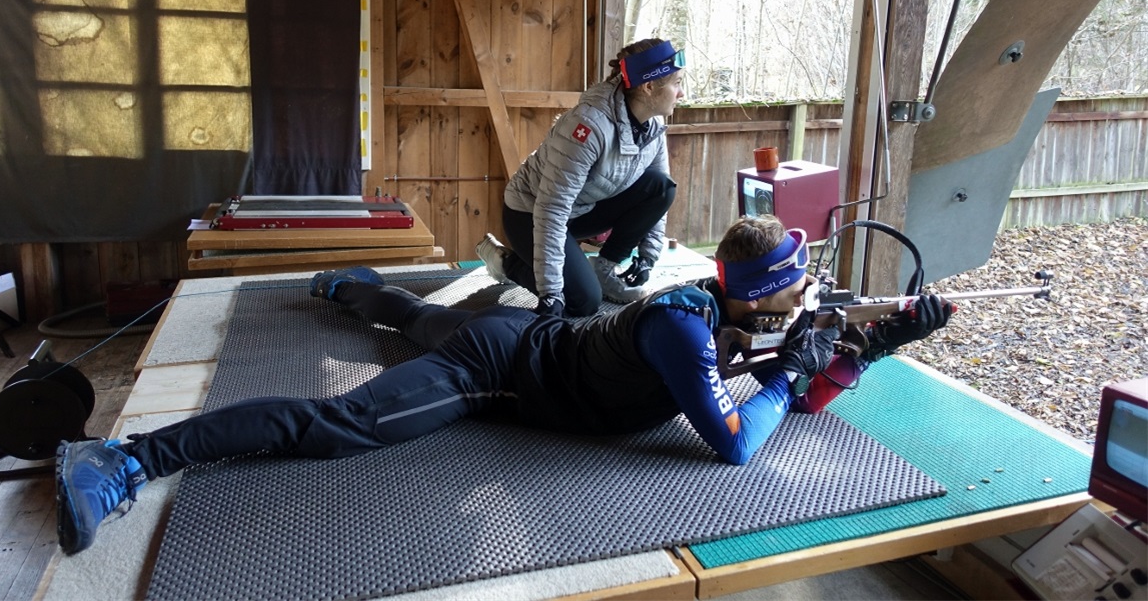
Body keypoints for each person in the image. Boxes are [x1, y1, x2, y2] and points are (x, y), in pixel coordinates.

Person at [54, 215, 951, 556]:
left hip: (534, 334)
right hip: (503, 370)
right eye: (800, 289)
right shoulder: (684, 326)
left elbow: (798, 394)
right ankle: (125, 459)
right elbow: (737, 444)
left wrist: (870, 351)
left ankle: (344, 286)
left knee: (412, 318)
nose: (812, 299)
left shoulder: (744, 320)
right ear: (759, 295)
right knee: (342, 422)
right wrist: (798, 370)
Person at [477, 38, 684, 318]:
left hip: (583, 209)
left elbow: (659, 190)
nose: (681, 94)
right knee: (582, 302)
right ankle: (506, 264)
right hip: (530, 213)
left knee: (661, 188)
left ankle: (604, 270)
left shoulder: (653, 126)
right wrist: (550, 293)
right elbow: (551, 210)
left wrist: (648, 256)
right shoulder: (588, 127)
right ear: (648, 87)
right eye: (677, 84)